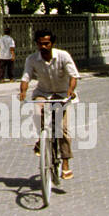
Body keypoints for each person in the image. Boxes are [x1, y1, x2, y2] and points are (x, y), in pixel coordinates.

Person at [18, 29, 79, 180]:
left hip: (62, 94)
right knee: (37, 113)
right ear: (37, 44)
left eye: (46, 43)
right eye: (40, 44)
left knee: (62, 129)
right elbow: (26, 77)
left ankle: (65, 163)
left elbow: (73, 75)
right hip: (43, 92)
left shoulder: (63, 56)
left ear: (52, 43)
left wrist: (71, 90)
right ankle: (42, 139)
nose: (43, 47)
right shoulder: (32, 59)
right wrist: (23, 92)